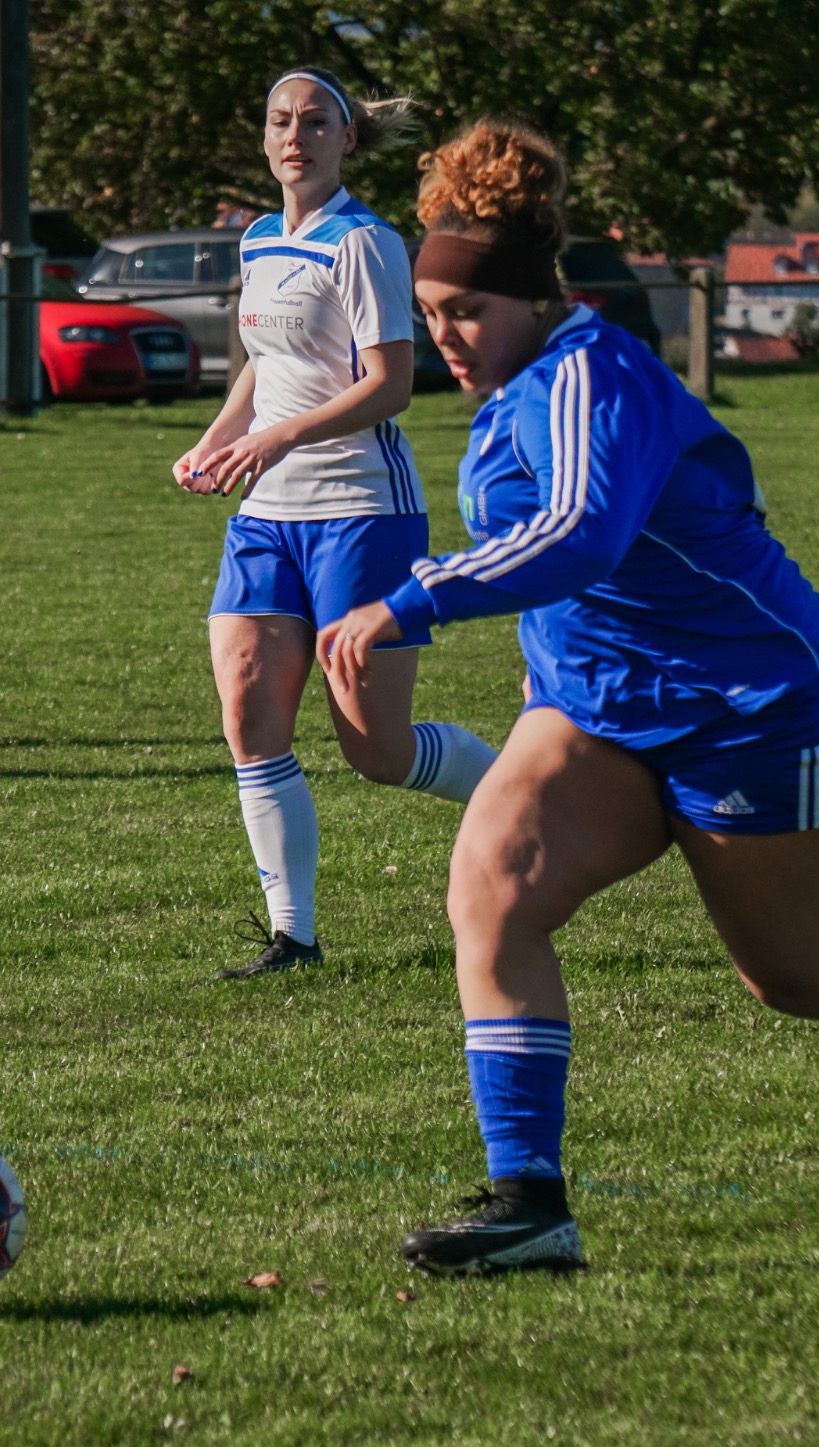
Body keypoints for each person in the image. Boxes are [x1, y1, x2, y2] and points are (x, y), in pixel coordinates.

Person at [317, 120, 819, 1276]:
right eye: (430, 311)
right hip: (597, 714)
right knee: (490, 886)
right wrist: (542, 670)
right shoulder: (514, 384)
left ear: (529, 300)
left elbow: (579, 533)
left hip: (752, 711)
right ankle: (529, 1202)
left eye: (464, 311)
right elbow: (564, 564)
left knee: (798, 974)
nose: (442, 334)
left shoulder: (591, 372)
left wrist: (407, 601)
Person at [174, 68, 498, 980]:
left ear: (347, 139)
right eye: (281, 120)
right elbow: (266, 361)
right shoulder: (259, 237)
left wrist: (276, 438)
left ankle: (522, 790)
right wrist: (218, 440)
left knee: (377, 751)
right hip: (266, 516)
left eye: (316, 122)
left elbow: (390, 385)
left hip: (362, 512)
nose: (295, 136)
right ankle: (294, 938)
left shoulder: (366, 242)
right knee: (248, 712)